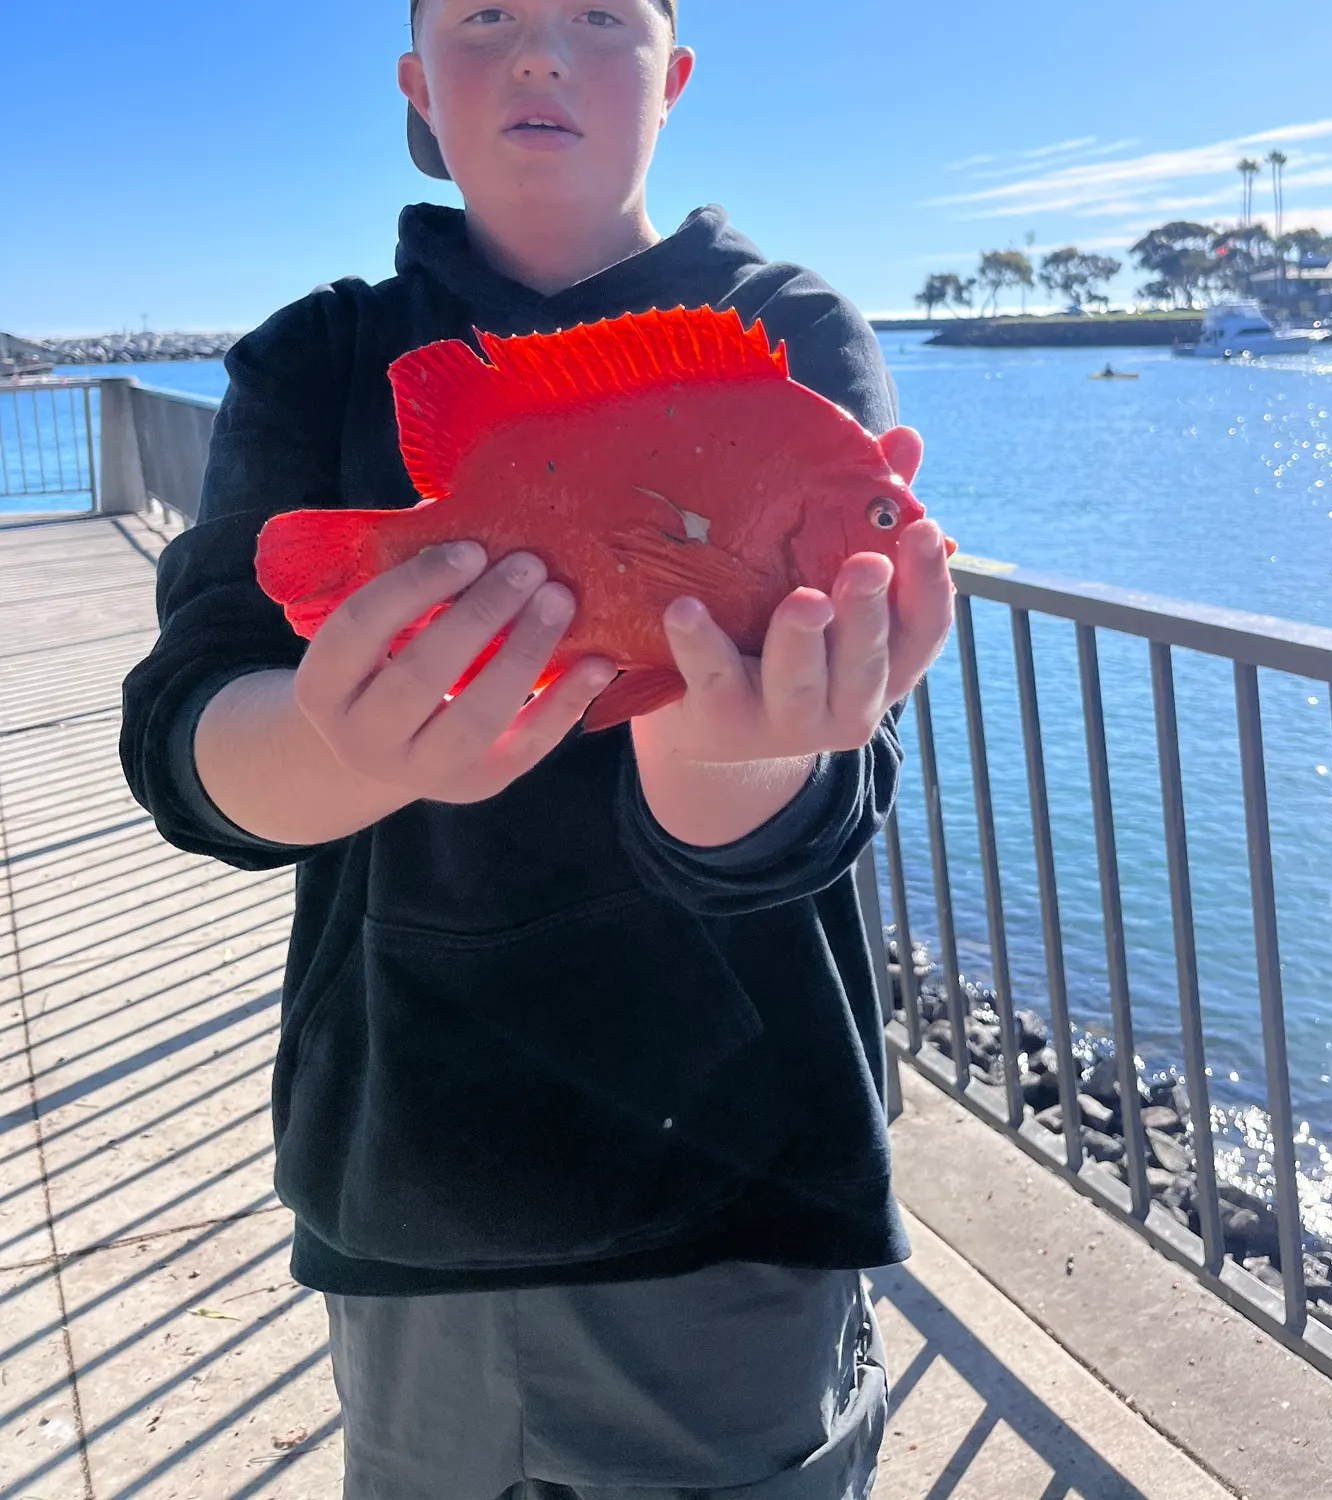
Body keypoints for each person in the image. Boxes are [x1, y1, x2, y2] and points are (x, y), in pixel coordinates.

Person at [120, 3, 954, 1497]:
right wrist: (353, 743)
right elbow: (190, 736)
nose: (536, 53)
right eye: (485, 15)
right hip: (412, 1179)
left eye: (596, 16)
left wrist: (733, 751)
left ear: (675, 76)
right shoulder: (320, 358)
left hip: (741, 1183)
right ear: (417, 85)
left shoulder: (795, 337)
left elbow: (814, 795)